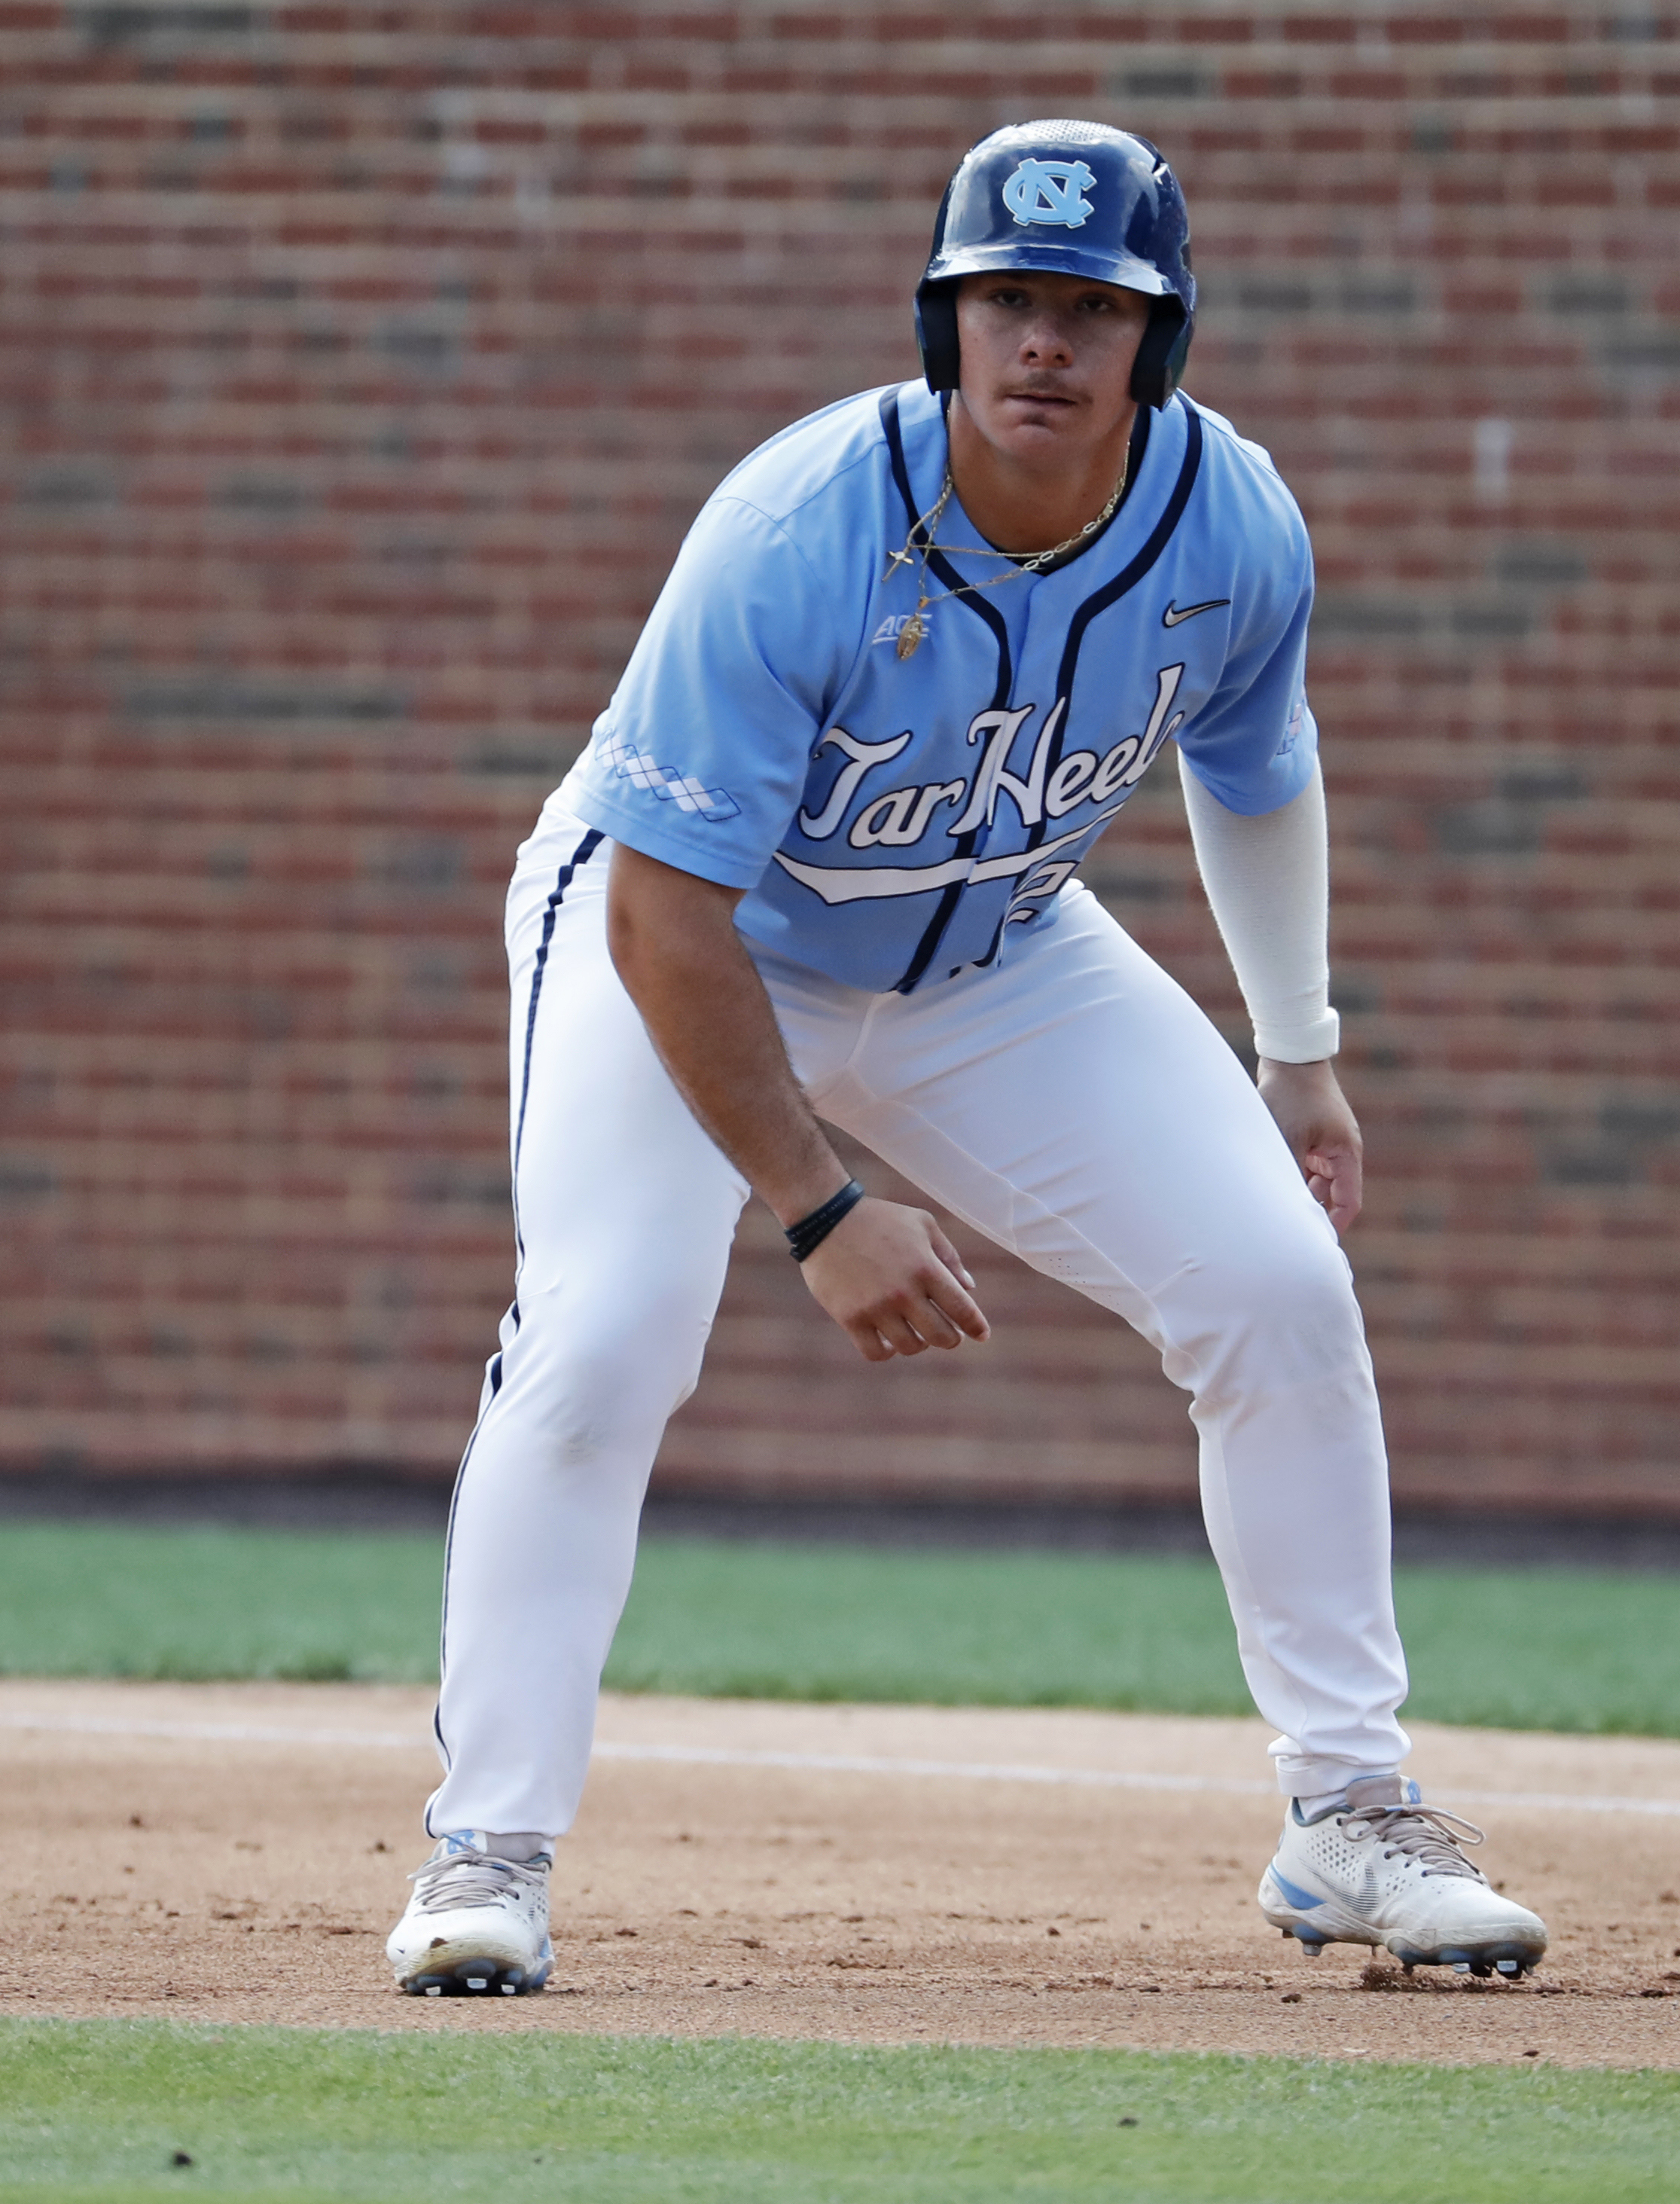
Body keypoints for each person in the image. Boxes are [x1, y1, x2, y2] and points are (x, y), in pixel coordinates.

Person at [383, 120, 1552, 1998]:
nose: (1042, 346)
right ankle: (485, 1849)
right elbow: (666, 915)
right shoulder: (795, 528)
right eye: (1005, 299)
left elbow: (1253, 769)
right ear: (944, 321)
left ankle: (1352, 1814)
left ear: (1153, 346)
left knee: (1273, 1282)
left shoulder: (1228, 521)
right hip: (695, 937)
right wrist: (819, 1205)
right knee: (606, 1334)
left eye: (1092, 309)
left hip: (991, 941)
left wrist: (1298, 1049)